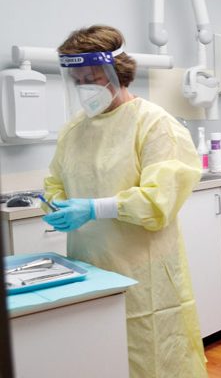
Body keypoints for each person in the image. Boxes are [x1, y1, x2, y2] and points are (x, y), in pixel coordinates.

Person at [41, 25, 207, 377]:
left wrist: (93, 208)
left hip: (143, 273)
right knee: (102, 357)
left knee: (154, 356)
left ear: (120, 73)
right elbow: (55, 181)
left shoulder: (155, 124)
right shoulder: (74, 130)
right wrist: (55, 206)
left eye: (95, 76)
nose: (86, 86)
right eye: (78, 79)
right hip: (89, 268)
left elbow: (158, 202)